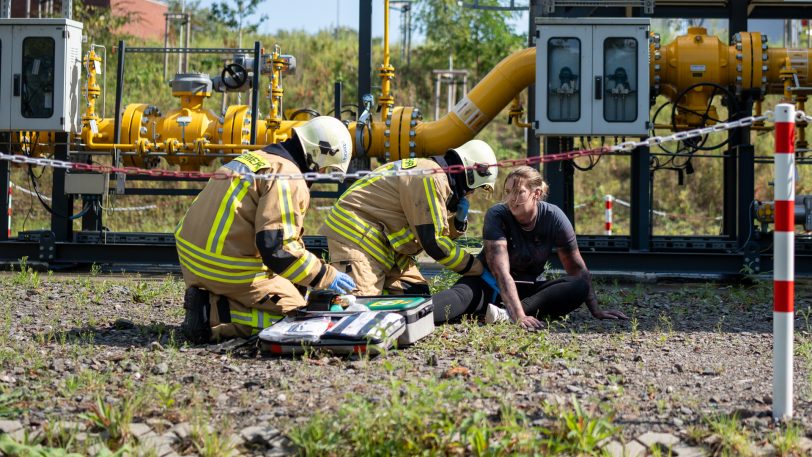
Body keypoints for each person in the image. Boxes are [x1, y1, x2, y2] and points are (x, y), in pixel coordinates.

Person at [176, 116, 357, 343]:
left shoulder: (256, 158)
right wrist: (325, 275)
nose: (320, 174)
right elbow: (278, 249)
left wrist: (303, 278)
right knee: (303, 318)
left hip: (194, 261)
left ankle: (215, 297)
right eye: (325, 169)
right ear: (319, 154)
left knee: (296, 285)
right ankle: (214, 316)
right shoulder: (288, 175)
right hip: (228, 268)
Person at [433, 165, 628, 330]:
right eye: (508, 192)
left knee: (579, 286)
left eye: (519, 192)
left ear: (537, 194)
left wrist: (596, 310)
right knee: (455, 299)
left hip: (528, 292)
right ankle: (405, 316)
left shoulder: (554, 217)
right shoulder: (497, 214)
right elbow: (501, 273)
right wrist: (518, 316)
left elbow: (577, 268)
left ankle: (502, 314)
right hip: (488, 286)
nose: (511, 199)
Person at [319, 139, 498, 295]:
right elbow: (434, 243)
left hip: (387, 248)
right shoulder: (431, 177)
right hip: (356, 239)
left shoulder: (434, 176)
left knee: (416, 295)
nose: (471, 194)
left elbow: (429, 228)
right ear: (471, 176)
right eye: (475, 188)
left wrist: (457, 222)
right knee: (359, 307)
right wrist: (477, 268)